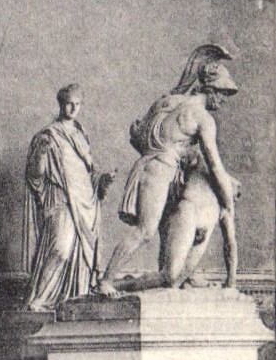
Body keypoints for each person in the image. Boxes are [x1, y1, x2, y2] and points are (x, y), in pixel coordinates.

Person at [99, 44, 239, 293]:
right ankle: (106, 280)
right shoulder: (203, 119)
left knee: (170, 225)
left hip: (149, 168)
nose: (223, 100)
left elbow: (139, 136)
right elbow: (215, 166)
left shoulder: (166, 101)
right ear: (212, 90)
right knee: (145, 231)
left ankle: (185, 275)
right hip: (161, 170)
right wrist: (228, 200)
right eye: (223, 94)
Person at [23, 85, 115, 310]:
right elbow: (35, 176)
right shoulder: (48, 135)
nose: (73, 108)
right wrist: (42, 153)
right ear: (61, 103)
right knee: (60, 249)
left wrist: (102, 181)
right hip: (61, 199)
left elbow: (87, 174)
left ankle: (71, 302)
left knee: (82, 259)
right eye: (69, 103)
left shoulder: (81, 134)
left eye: (78, 104)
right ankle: (39, 300)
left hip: (85, 204)